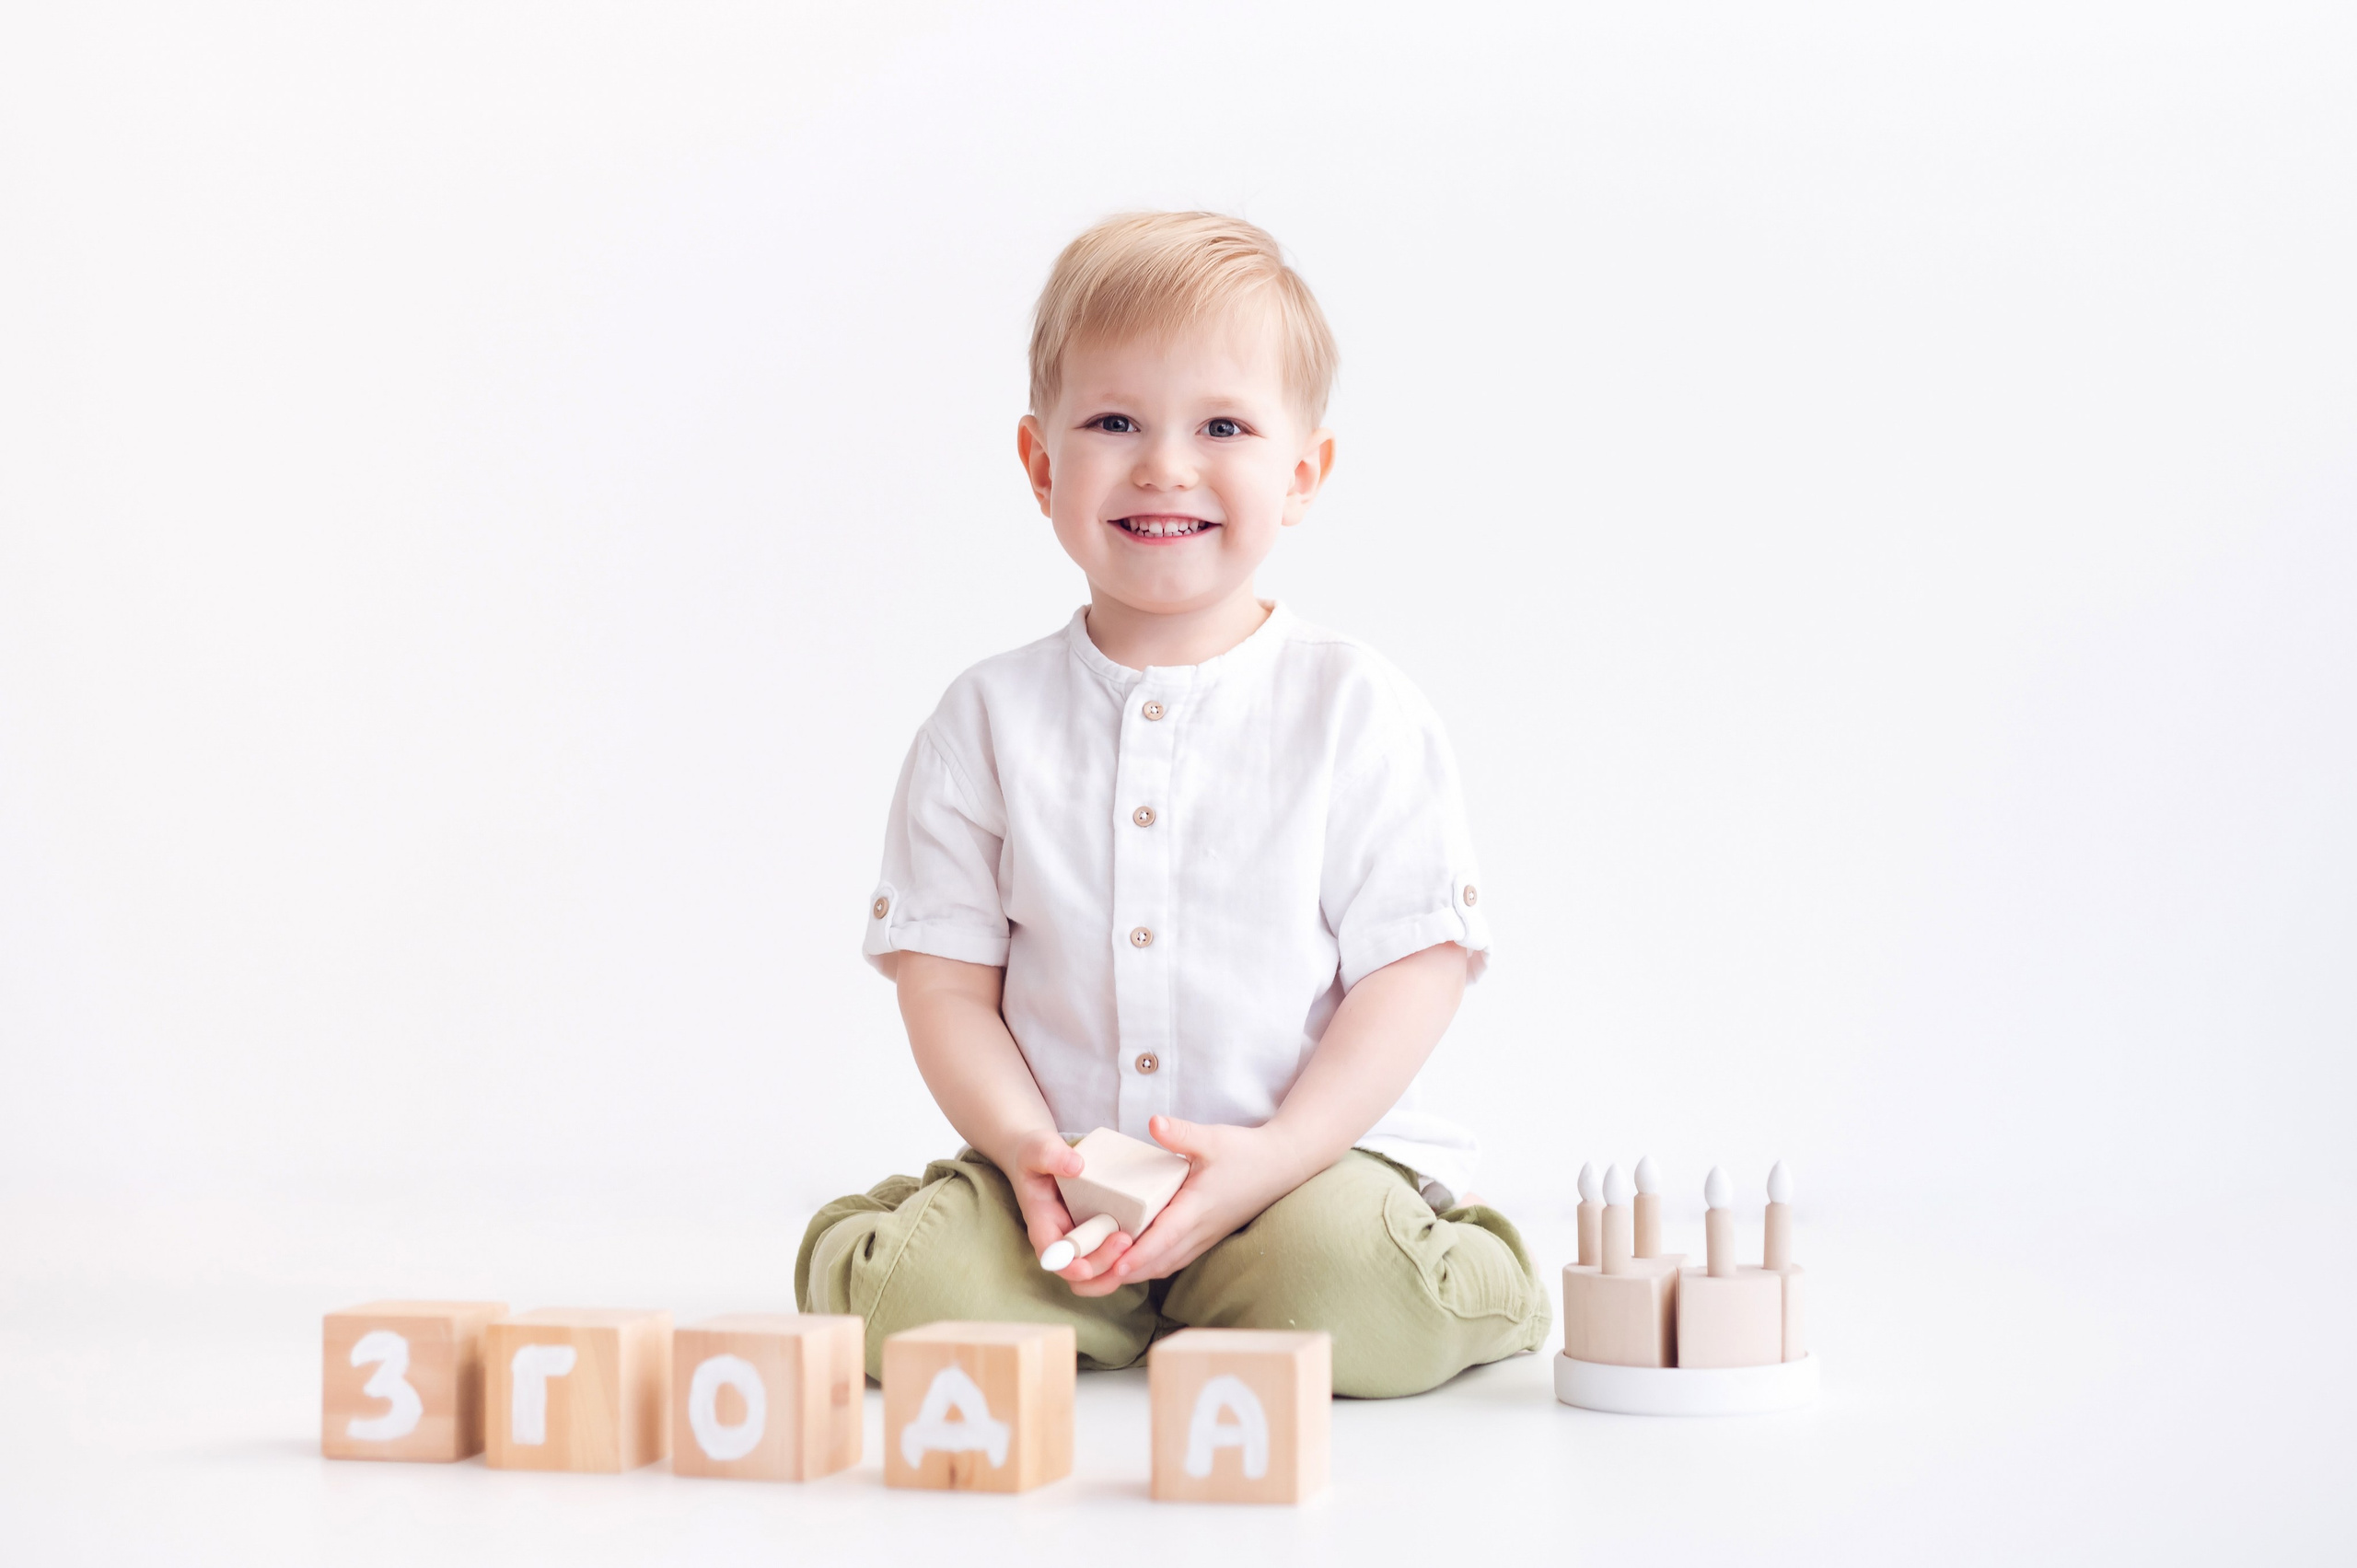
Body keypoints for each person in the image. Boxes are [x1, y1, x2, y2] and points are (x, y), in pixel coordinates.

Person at [796, 212, 1549, 1398]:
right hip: (1063, 1188)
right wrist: (1021, 1151)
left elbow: (1418, 966)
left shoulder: (1355, 708)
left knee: (1361, 1297)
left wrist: (1280, 1156)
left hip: (1295, 1185)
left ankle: (1457, 1273)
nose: (1164, 466)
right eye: (1112, 423)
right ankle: (1046, 1279)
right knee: (915, 1308)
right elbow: (944, 981)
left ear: (1302, 474)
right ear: (1042, 465)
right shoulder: (984, 721)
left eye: (1224, 427)